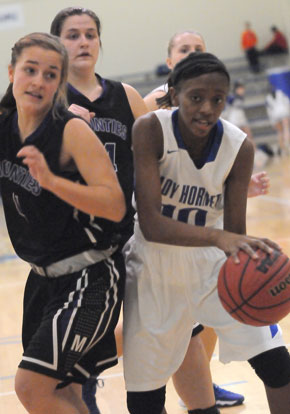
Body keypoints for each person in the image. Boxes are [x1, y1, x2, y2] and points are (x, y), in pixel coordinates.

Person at [123, 52, 290, 414]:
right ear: (176, 93)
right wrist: (219, 239)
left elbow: (235, 234)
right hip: (153, 269)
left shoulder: (238, 146)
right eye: (196, 97)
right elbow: (151, 224)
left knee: (278, 364)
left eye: (218, 99)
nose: (207, 108)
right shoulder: (150, 129)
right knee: (145, 399)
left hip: (213, 270)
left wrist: (263, 265)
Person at [0, 32, 126, 414]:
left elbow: (115, 205)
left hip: (90, 276)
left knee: (31, 387)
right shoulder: (4, 125)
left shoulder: (70, 130)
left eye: (51, 74)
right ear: (12, 72)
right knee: (62, 393)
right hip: (42, 279)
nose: (39, 81)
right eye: (31, 70)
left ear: (60, 84)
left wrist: (52, 182)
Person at [49, 7, 148, 414]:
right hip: (70, 243)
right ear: (57, 46)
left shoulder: (125, 97)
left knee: (157, 328)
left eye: (90, 34)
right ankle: (86, 383)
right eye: (73, 35)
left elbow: (157, 160)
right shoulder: (47, 103)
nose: (84, 42)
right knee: (80, 342)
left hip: (126, 234)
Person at [265, 84, 290, 155]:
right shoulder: (280, 93)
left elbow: (269, 112)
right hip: (283, 113)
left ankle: (282, 149)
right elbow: (287, 102)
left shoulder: (267, 98)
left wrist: (272, 122)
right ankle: (287, 144)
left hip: (275, 115)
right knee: (286, 129)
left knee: (280, 132)